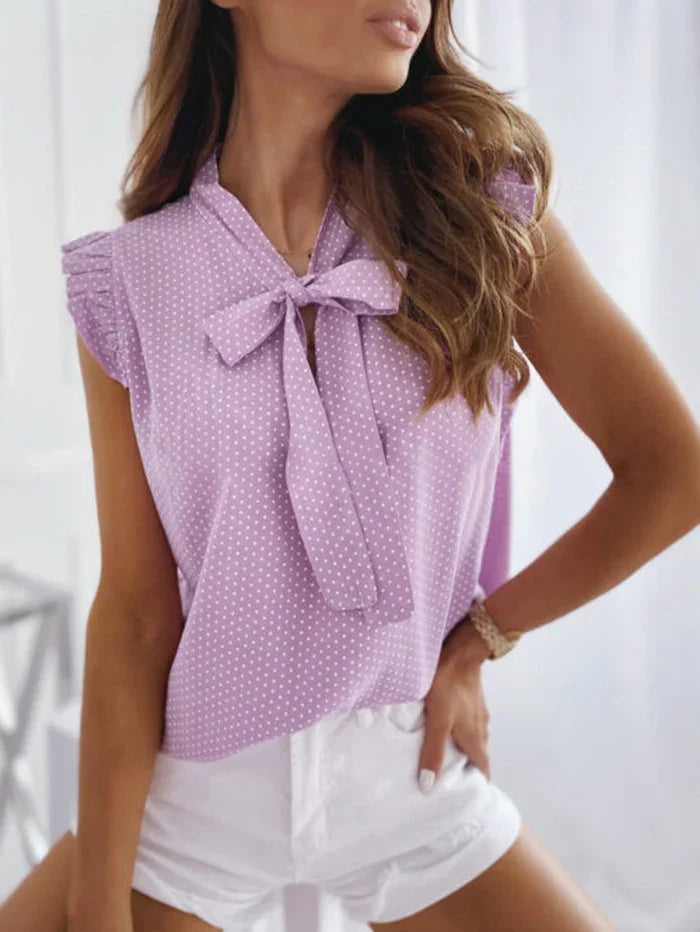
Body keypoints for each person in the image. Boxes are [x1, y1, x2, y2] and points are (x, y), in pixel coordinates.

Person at [3, 0, 699, 929]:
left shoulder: (483, 221)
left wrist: (483, 635)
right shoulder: (131, 284)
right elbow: (135, 612)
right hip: (200, 791)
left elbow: (672, 471)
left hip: (406, 773)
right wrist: (99, 906)